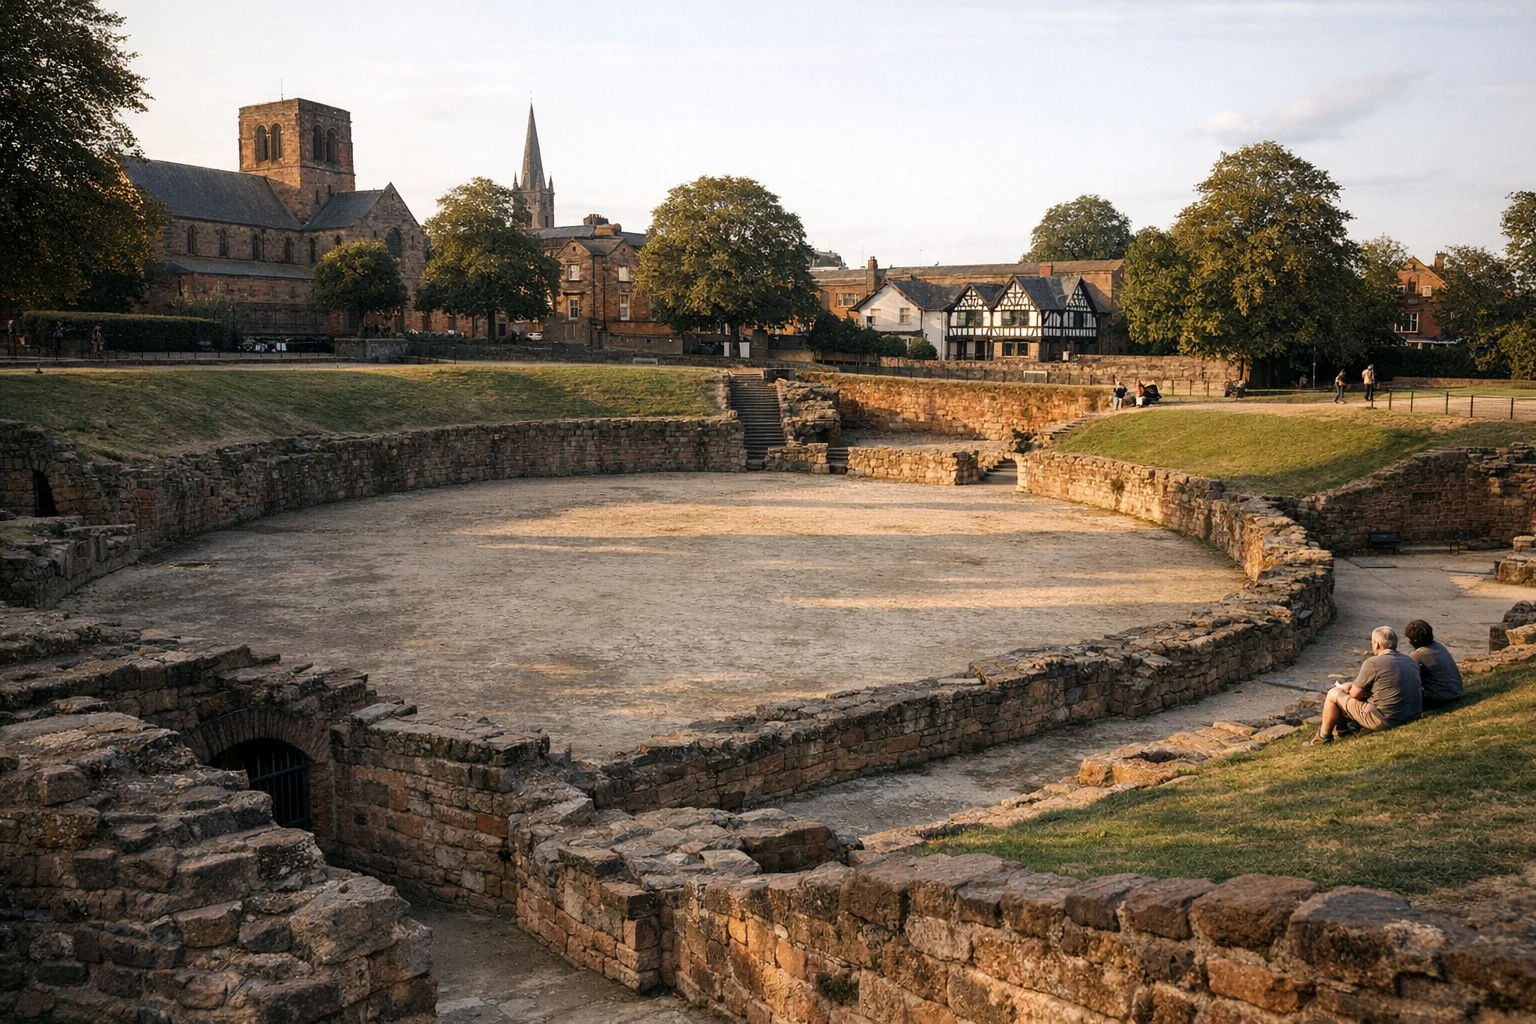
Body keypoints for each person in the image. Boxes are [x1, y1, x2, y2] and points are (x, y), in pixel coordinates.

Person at [1308, 626, 1422, 745]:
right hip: (1412, 715)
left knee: (1333, 694)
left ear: (1377, 644)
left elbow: (1355, 695)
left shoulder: (1372, 663)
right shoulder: (1409, 660)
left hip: (1387, 719)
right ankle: (1342, 730)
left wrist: (1346, 688)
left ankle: (1323, 737)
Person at [1405, 619, 1463, 710]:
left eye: (1409, 639)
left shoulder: (1417, 656)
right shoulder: (1439, 646)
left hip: (1439, 699)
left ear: (1414, 641)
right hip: (1456, 692)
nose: (1408, 642)